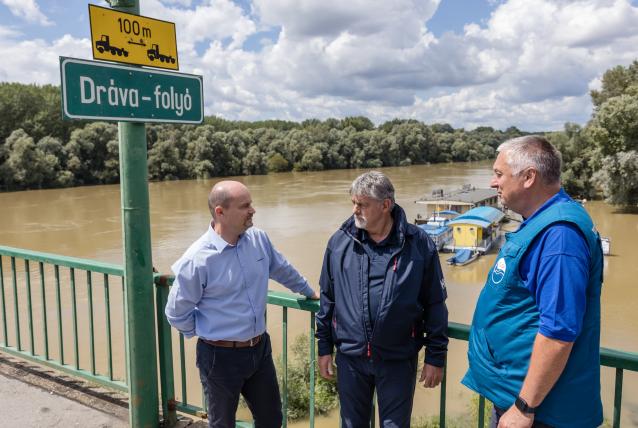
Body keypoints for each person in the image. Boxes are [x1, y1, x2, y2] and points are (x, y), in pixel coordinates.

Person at [462, 136, 604, 428]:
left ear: (529, 177)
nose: (492, 182)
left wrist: (524, 407)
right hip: (517, 397)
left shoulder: (560, 236)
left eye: (499, 174)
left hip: (540, 412)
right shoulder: (541, 221)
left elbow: (558, 332)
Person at [165, 180, 319, 428]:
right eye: (245, 205)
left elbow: (281, 268)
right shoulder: (197, 259)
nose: (253, 210)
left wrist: (309, 292)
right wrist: (207, 334)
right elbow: (176, 312)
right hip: (219, 357)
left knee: (271, 420)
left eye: (251, 204)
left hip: (259, 349)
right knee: (223, 424)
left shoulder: (258, 239)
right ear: (220, 212)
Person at [316, 171, 449, 428]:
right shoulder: (340, 242)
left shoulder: (418, 243)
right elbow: (327, 299)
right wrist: (324, 348)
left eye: (362, 204)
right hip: (351, 359)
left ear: (386, 205)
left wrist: (436, 357)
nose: (355, 210)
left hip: (397, 359)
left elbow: (435, 303)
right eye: (354, 203)